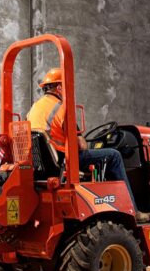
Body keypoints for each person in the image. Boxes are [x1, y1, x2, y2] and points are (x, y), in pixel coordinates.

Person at [27, 68, 142, 214]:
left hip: (43, 164)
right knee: (114, 156)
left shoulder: (34, 108)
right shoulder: (61, 109)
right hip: (64, 159)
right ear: (60, 87)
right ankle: (133, 210)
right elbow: (81, 145)